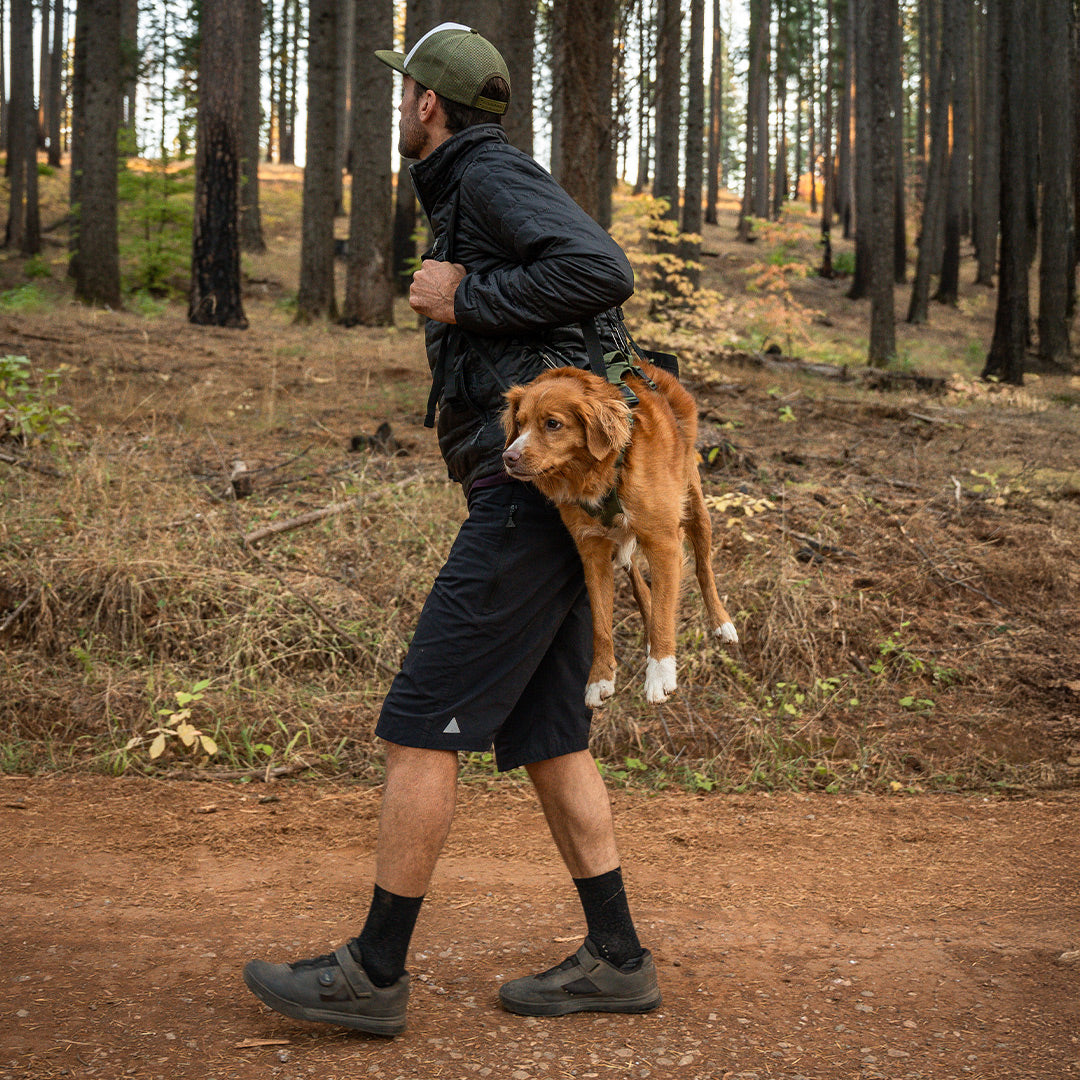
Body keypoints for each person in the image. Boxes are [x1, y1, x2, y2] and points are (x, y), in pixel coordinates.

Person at [242, 23, 660, 1035]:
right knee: (551, 731)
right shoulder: (472, 180)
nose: (401, 111)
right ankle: (617, 958)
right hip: (547, 497)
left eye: (404, 97)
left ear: (427, 104)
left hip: (534, 496)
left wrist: (470, 295)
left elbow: (600, 269)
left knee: (423, 717)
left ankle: (374, 972)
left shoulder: (485, 173)